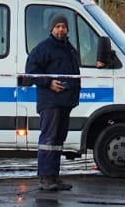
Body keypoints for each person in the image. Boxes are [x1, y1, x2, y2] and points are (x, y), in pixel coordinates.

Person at [23, 13, 81, 193]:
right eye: (58, 27)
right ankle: (45, 177)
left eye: (63, 26)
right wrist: (49, 83)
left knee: (57, 140)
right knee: (48, 139)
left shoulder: (69, 49)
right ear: (52, 29)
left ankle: (54, 176)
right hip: (50, 102)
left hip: (64, 102)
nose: (61, 30)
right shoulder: (44, 48)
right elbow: (31, 71)